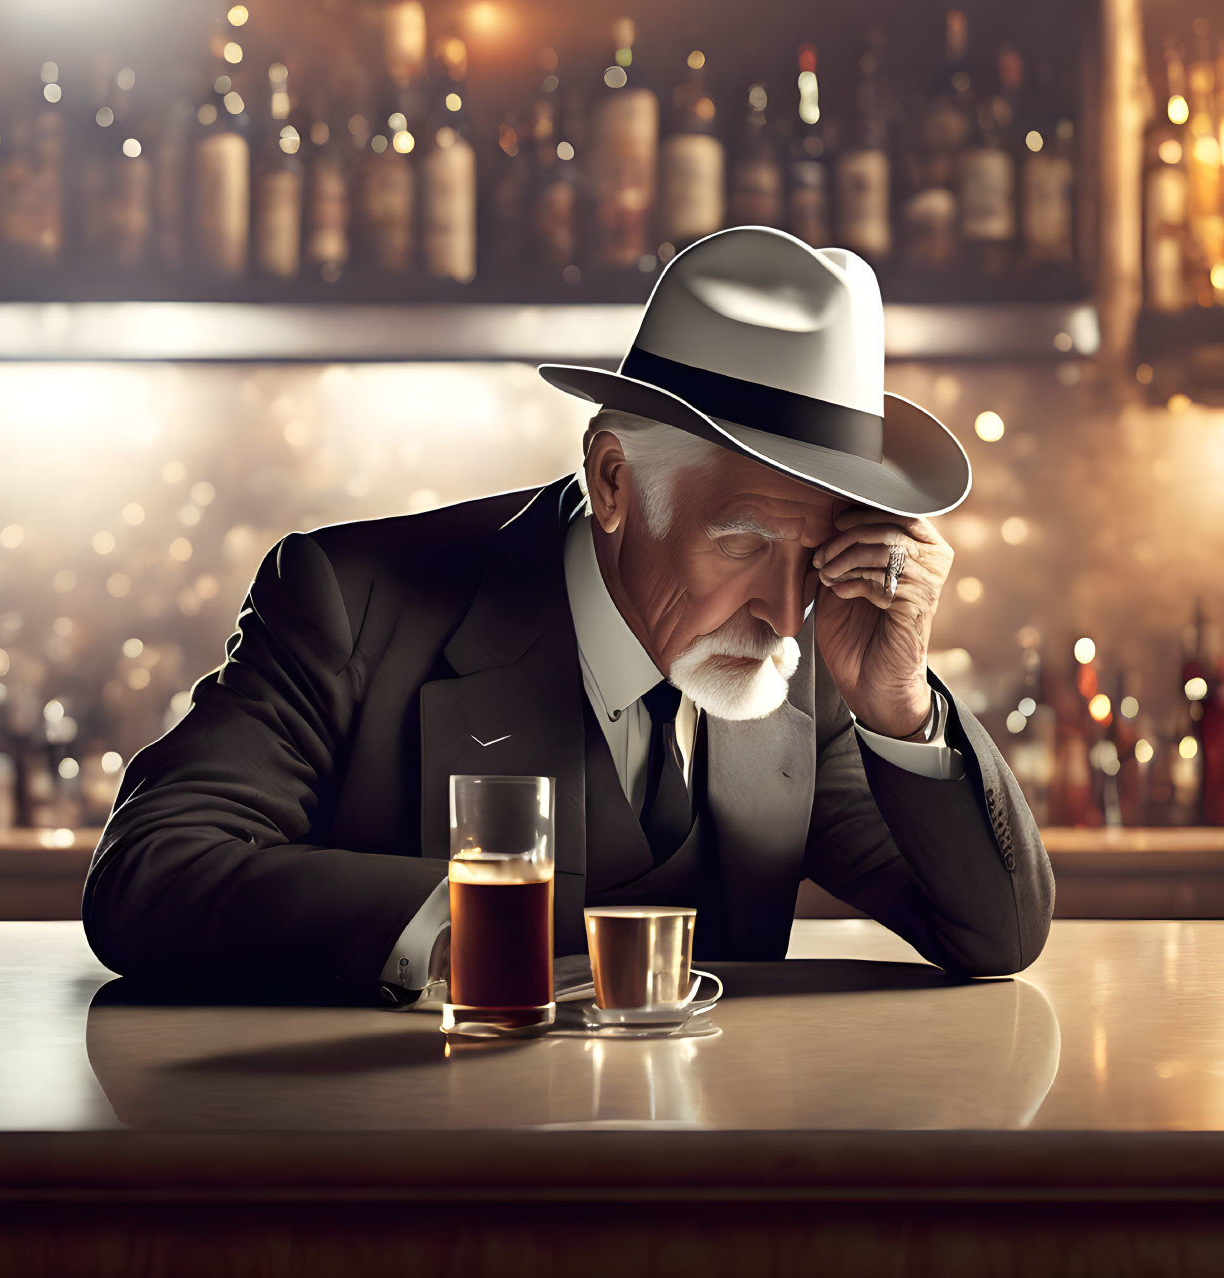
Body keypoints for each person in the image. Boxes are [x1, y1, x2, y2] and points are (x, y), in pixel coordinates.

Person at [84, 226, 1055, 1004]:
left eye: (814, 554)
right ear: (611, 481)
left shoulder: (810, 663)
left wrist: (897, 707)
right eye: (745, 538)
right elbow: (150, 876)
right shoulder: (349, 600)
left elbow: (995, 937)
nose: (785, 604)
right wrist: (466, 930)